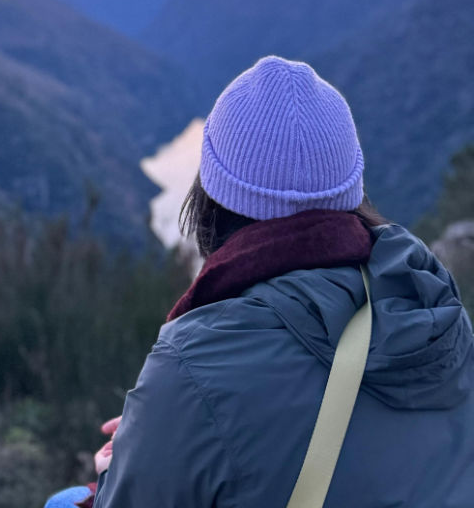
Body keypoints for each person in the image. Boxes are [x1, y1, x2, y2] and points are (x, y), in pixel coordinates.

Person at [46, 54, 474, 507]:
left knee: (64, 501)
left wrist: (125, 462)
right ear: (352, 186)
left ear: (210, 196)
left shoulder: (193, 362)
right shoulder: (435, 308)